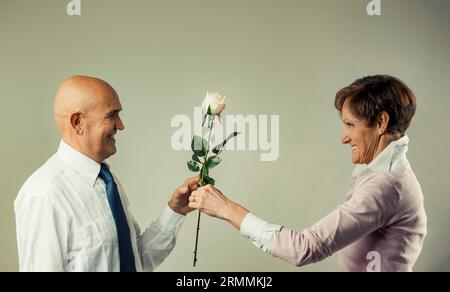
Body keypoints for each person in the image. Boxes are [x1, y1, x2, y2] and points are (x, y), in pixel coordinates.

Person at [189, 75, 427, 272]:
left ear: (380, 123)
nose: (343, 137)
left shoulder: (386, 185)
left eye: (350, 125)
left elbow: (305, 248)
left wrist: (226, 208)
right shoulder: (385, 173)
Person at [14, 75, 199, 272]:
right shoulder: (44, 195)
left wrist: (175, 210)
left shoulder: (107, 181)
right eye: (112, 115)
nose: (120, 125)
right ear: (78, 122)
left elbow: (135, 261)